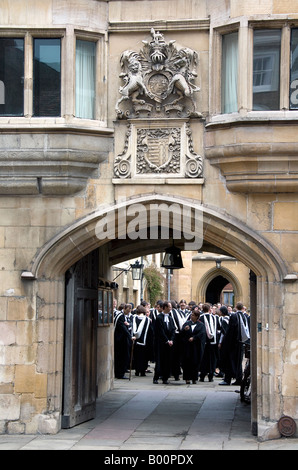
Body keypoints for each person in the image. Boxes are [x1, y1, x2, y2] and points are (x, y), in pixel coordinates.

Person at [219, 302, 250, 385]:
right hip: (240, 342)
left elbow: (230, 331)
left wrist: (225, 342)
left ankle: (227, 379)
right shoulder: (244, 316)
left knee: (229, 361)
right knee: (238, 361)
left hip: (232, 343)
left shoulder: (234, 316)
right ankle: (239, 379)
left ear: (235, 307)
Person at [180, 308, 206, 384]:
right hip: (187, 347)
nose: (191, 316)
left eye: (193, 315)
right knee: (187, 362)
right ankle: (187, 378)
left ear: (197, 317)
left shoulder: (201, 325)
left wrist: (194, 338)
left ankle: (194, 378)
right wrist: (184, 330)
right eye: (191, 315)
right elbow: (181, 334)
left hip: (196, 347)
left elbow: (202, 333)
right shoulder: (187, 323)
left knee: (195, 362)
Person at [153, 301, 176, 384]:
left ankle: (165, 378)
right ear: (165, 307)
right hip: (161, 343)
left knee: (167, 361)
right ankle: (156, 377)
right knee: (159, 361)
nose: (171, 308)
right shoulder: (159, 318)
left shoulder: (170, 318)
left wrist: (171, 340)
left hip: (169, 343)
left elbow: (173, 329)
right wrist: (167, 340)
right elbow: (160, 331)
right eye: (169, 307)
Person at [199, 303, 219, 382]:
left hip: (204, 342)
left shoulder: (201, 317)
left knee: (204, 359)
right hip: (213, 342)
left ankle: (202, 376)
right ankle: (211, 375)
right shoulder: (215, 318)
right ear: (209, 309)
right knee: (212, 359)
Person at [132, 305, 154, 376]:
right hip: (145, 342)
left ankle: (137, 371)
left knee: (137, 356)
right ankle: (142, 371)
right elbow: (151, 332)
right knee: (144, 357)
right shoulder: (147, 320)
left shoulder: (134, 318)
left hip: (135, 341)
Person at [114, 306, 135, 379]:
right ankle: (119, 373)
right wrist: (130, 337)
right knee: (121, 357)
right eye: (128, 310)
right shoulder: (120, 316)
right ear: (124, 309)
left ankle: (122, 372)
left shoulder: (127, 317)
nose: (129, 311)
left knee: (125, 356)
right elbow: (123, 328)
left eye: (130, 310)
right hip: (120, 340)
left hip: (125, 340)